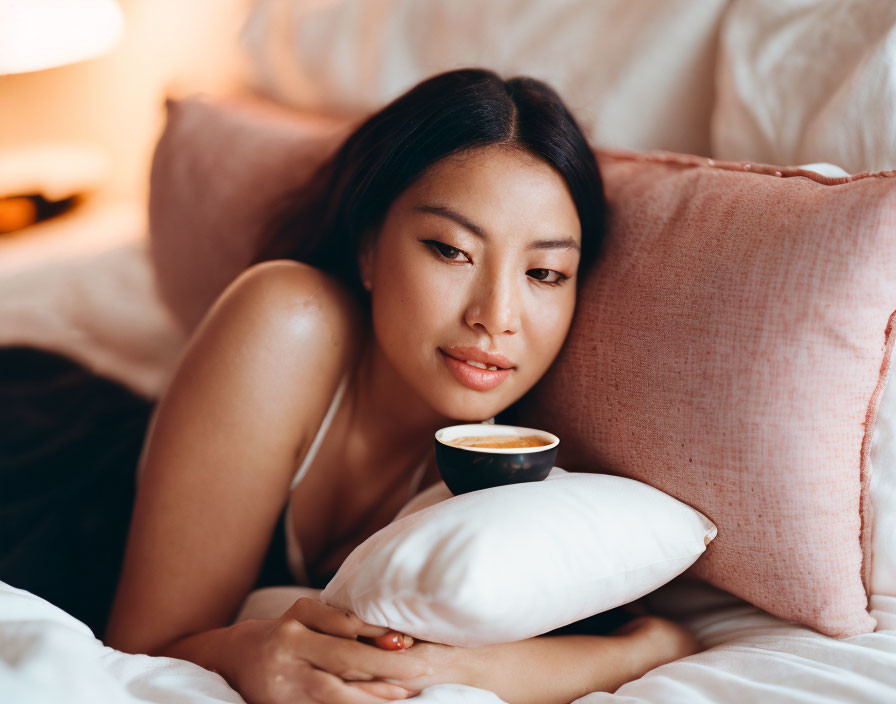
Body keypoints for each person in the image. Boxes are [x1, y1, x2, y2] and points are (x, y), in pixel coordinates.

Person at [101, 68, 699, 703]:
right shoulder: (287, 321)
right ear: (368, 248)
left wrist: (453, 674)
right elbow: (142, 645)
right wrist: (249, 652)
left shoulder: (535, 450)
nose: (496, 317)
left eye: (545, 273)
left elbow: (662, 643)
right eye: (450, 251)